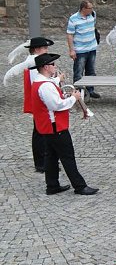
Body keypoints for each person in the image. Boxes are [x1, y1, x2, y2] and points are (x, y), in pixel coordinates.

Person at [29, 53, 99, 196]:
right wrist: (74, 98)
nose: (55, 67)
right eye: (53, 64)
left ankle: (52, 185)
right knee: (68, 157)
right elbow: (57, 105)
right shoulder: (45, 86)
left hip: (49, 127)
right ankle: (80, 186)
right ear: (46, 67)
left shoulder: (41, 82)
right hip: (55, 127)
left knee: (51, 157)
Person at [4, 37, 55, 172]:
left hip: (39, 100)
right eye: (44, 48)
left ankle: (45, 161)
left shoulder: (35, 60)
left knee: (41, 131)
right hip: (39, 101)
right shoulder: (34, 63)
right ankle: (41, 162)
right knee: (40, 132)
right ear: (37, 49)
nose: (46, 50)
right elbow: (38, 82)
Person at [66, 0, 100, 99]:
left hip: (92, 48)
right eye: (89, 8)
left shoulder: (92, 14)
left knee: (91, 71)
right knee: (78, 72)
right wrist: (72, 50)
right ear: (83, 9)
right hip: (80, 50)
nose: (92, 10)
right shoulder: (73, 19)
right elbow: (70, 35)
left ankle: (90, 90)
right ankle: (78, 92)